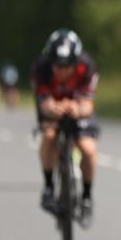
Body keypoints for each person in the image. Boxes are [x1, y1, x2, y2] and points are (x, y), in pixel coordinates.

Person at [31, 29, 99, 225]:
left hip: (78, 108)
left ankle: (86, 197)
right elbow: (43, 102)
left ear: (75, 62)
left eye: (66, 66)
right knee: (49, 136)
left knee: (87, 148)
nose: (61, 71)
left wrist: (77, 109)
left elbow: (88, 104)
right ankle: (49, 186)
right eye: (57, 66)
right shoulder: (40, 68)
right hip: (52, 107)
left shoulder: (87, 67)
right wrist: (52, 108)